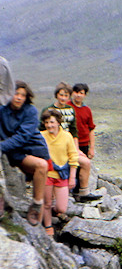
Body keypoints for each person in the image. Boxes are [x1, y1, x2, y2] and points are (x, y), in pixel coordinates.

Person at [0, 80, 50, 225]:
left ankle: (36, 206)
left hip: (33, 149)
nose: (19, 97)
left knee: (42, 167)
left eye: (23, 95)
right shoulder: (2, 110)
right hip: (14, 152)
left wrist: (1, 147)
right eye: (16, 93)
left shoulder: (30, 111)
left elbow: (23, 137)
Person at [42, 82, 100, 202]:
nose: (63, 98)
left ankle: (83, 192)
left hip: (69, 146)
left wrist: (76, 149)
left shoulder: (70, 110)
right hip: (53, 148)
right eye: (61, 95)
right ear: (56, 95)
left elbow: (74, 132)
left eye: (66, 95)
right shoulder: (48, 110)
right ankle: (53, 198)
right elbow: (41, 131)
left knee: (85, 163)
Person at [40, 108, 79, 236]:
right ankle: (48, 225)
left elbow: (73, 157)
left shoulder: (67, 136)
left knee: (61, 208)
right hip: (46, 175)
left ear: (58, 122)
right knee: (46, 202)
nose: (49, 125)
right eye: (46, 122)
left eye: (51, 122)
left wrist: (72, 177)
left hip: (62, 175)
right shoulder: (41, 136)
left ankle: (50, 212)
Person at [70, 83, 96, 158]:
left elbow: (91, 129)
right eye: (76, 92)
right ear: (72, 93)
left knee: (83, 166)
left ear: (84, 95)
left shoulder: (87, 110)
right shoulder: (67, 107)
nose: (78, 95)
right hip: (70, 143)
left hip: (84, 144)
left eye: (81, 93)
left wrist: (91, 148)